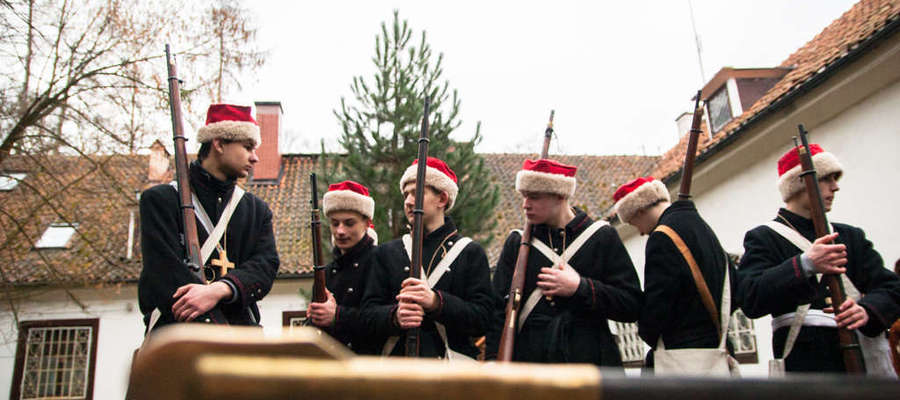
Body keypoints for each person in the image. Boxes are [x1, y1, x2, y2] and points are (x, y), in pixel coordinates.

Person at [738, 143, 900, 373]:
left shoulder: (850, 236)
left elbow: (891, 288)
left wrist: (867, 310)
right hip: (808, 368)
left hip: (862, 365)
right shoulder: (764, 238)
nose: (835, 187)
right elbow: (750, 297)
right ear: (800, 183)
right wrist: (804, 265)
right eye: (827, 178)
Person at [486, 159, 642, 366]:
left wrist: (580, 287)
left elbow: (631, 304)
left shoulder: (601, 237)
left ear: (560, 195)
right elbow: (497, 310)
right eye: (524, 196)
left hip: (589, 363)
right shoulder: (517, 242)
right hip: (531, 367)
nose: (525, 204)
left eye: (534, 197)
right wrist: (492, 360)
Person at [139, 104, 279, 332]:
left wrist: (219, 290)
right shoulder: (161, 201)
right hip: (179, 338)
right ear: (219, 144)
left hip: (239, 341)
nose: (255, 158)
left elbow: (265, 266)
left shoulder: (256, 210)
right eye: (247, 147)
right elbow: (164, 272)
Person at [361, 157, 498, 359]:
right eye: (406, 194)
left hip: (450, 376)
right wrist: (395, 316)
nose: (408, 201)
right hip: (397, 372)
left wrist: (437, 302)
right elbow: (366, 316)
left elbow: (483, 319)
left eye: (417, 193)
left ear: (442, 199)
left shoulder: (470, 253)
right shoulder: (386, 253)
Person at [613, 176, 736, 373]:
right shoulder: (701, 226)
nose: (641, 232)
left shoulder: (662, 237)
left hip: (684, 353)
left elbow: (659, 303)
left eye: (633, 223)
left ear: (640, 210)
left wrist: (646, 330)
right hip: (718, 347)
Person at [306, 180, 379, 354]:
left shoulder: (381, 261)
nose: (340, 231)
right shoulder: (329, 271)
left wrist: (337, 316)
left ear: (367, 223)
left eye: (349, 223)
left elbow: (385, 319)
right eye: (335, 223)